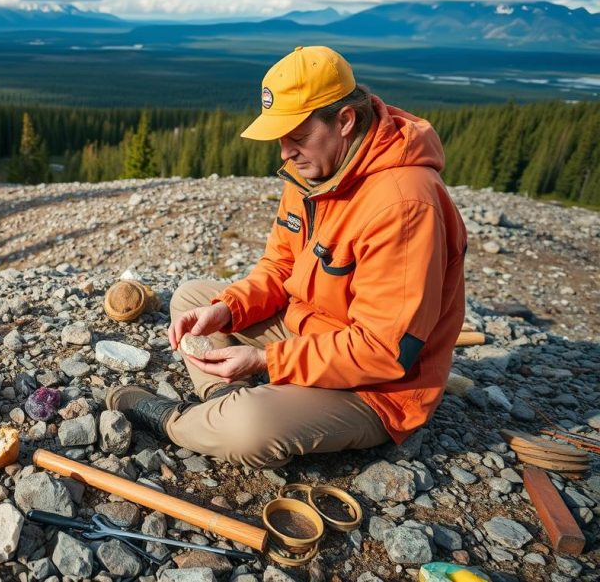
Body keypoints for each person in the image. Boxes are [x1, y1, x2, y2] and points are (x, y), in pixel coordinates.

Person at [105, 46, 468, 468]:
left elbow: (385, 351)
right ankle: (222, 397)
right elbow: (279, 268)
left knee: (249, 429)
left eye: (297, 136)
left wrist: (265, 360)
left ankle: (178, 422)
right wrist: (228, 310)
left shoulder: (403, 204)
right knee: (193, 298)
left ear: (345, 121)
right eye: (281, 138)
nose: (285, 152)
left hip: (375, 389)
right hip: (307, 333)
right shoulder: (314, 170)